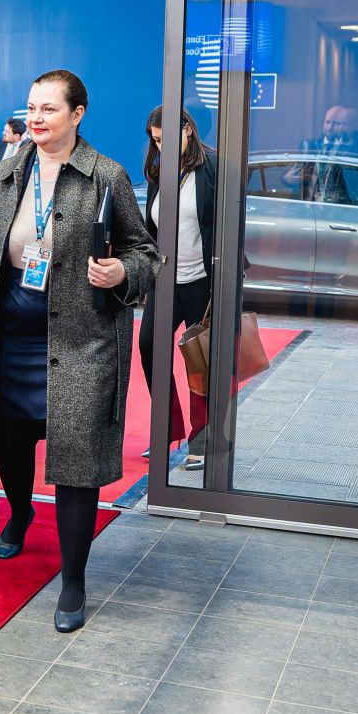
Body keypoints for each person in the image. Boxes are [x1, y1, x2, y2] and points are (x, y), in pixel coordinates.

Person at [0, 70, 158, 633]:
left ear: (77, 114)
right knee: (11, 437)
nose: (36, 118)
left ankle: (74, 579)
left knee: (75, 459)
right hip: (6, 337)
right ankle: (18, 512)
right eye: (32, 108)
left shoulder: (105, 175)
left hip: (81, 340)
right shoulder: (6, 173)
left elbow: (144, 252)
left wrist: (120, 272)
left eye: (49, 109)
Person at [141, 105, 218, 471]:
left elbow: (224, 225)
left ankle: (200, 439)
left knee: (198, 363)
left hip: (202, 283)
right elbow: (151, 229)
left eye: (167, 138)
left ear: (187, 130)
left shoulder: (213, 167)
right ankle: (166, 430)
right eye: (156, 141)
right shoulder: (160, 172)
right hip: (166, 280)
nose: (161, 147)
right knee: (149, 346)